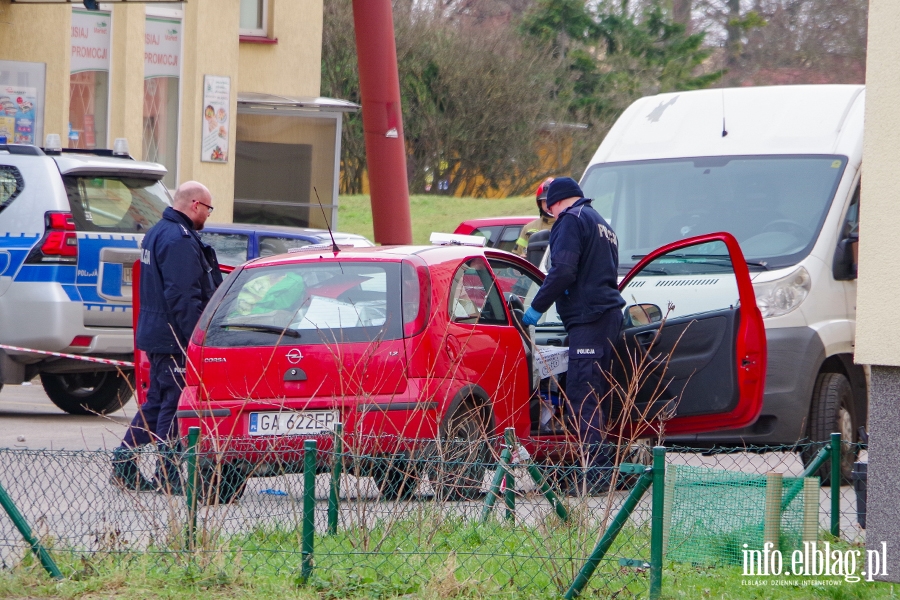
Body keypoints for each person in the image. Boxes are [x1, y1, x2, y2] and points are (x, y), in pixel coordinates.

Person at [111, 181, 223, 494]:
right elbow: (182, 295)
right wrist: (193, 341)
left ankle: (124, 464)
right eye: (208, 209)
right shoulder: (179, 240)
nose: (208, 216)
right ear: (196, 205)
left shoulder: (157, 232)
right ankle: (167, 475)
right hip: (174, 338)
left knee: (156, 403)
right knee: (171, 406)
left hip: (157, 332)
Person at [521, 177, 625, 493]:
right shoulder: (600, 223)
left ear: (556, 202)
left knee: (584, 394)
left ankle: (593, 478)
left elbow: (563, 270)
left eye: (549, 205)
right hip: (607, 318)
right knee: (598, 394)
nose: (549, 211)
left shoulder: (570, 220)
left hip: (589, 320)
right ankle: (602, 471)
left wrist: (536, 308)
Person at [513, 177, 556, 257]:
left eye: (551, 200)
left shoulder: (568, 225)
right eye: (544, 201)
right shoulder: (528, 228)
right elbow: (516, 257)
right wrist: (522, 258)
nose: (548, 205)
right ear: (539, 203)